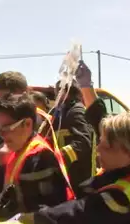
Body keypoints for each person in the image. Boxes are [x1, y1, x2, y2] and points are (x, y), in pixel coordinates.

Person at [0, 93, 73, 224]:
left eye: (7, 128)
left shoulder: (41, 160)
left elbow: (47, 214)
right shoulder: (14, 149)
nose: (2, 135)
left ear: (27, 124)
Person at [40, 61, 99, 192]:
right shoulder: (60, 113)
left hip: (78, 179)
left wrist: (58, 158)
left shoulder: (77, 111)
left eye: (58, 93)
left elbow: (83, 143)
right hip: (64, 177)